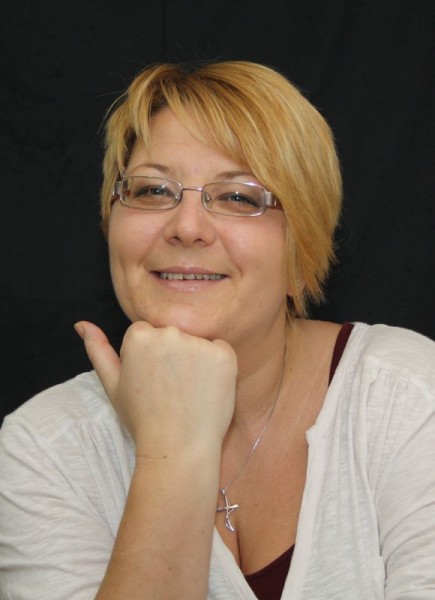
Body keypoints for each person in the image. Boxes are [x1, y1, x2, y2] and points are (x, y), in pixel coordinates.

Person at [0, 61, 434, 600]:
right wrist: (172, 454)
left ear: (302, 254)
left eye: (238, 197)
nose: (186, 227)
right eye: (153, 190)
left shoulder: (407, 395)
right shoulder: (43, 448)